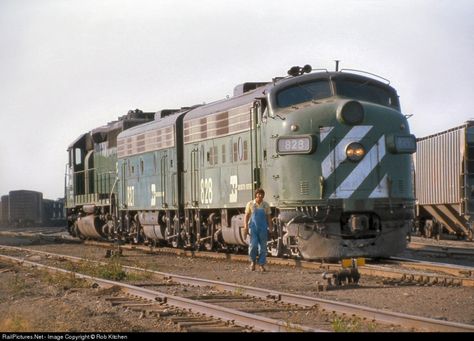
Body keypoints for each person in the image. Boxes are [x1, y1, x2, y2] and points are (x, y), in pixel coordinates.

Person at [243, 188, 273, 272]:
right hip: (253, 228)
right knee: (253, 245)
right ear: (256, 195)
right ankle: (252, 262)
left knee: (263, 247)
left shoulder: (266, 205)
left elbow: (269, 217)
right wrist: (245, 227)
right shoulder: (250, 204)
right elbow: (246, 216)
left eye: (261, 194)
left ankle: (261, 264)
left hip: (263, 228)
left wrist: (270, 227)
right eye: (258, 194)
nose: (260, 195)